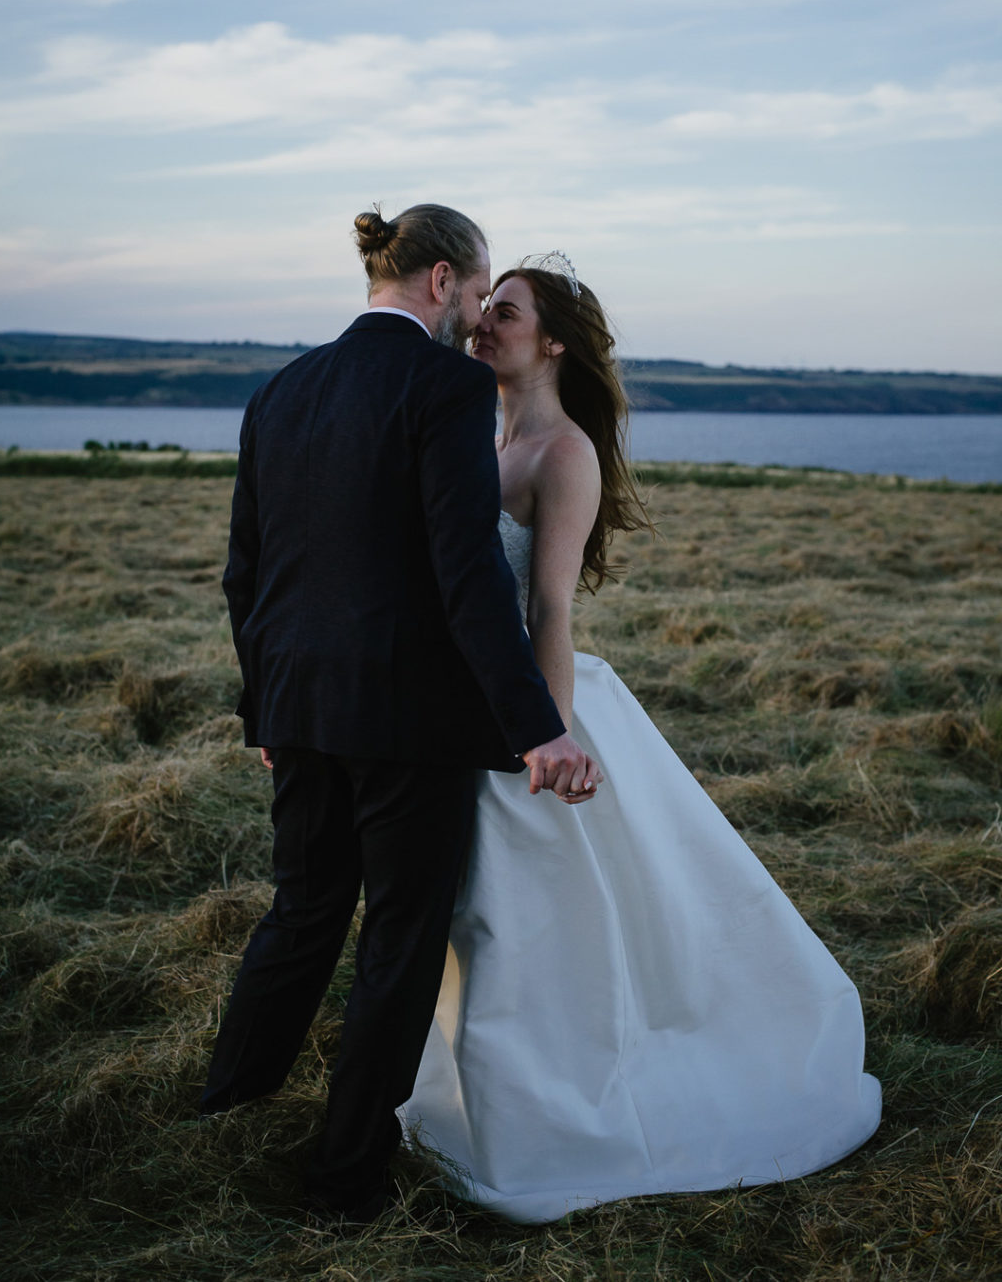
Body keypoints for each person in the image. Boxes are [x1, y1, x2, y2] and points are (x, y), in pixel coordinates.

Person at [401, 253, 882, 1223]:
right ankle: (484, 1109)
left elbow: (549, 608)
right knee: (478, 928)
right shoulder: (487, 442)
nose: (485, 324)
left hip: (530, 720)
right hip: (470, 716)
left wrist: (547, 735)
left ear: (554, 342)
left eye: (508, 313)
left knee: (526, 933)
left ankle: (546, 1122)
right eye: (484, 309)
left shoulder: (562, 453)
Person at [200, 209, 598, 1224]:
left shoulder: (279, 389)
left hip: (298, 707)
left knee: (301, 914)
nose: (473, 319)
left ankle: (222, 1104)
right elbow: (464, 568)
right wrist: (536, 724)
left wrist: (262, 710)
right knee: (399, 943)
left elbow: (247, 573)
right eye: (472, 296)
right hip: (408, 721)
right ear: (436, 281)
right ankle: (343, 1181)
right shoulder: (448, 386)